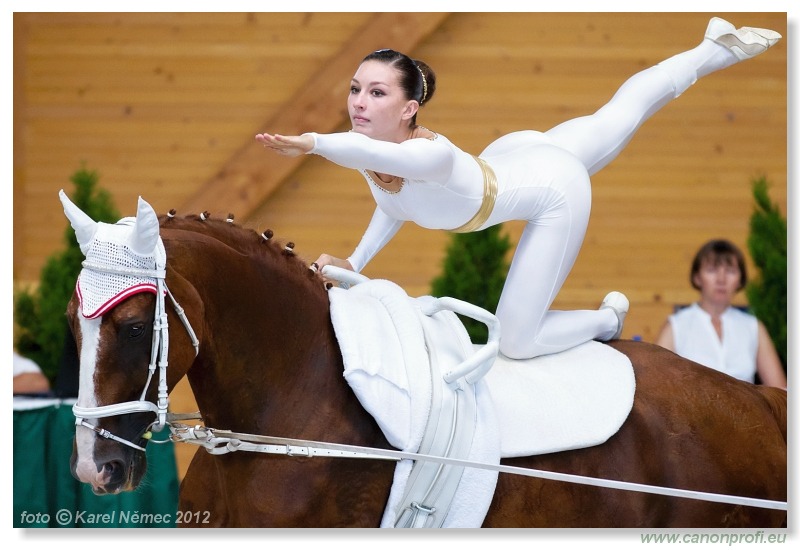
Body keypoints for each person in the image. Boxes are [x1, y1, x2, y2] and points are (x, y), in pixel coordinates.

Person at [256, 17, 781, 360]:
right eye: (354, 89)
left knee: (515, 344)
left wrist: (308, 142)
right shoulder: (377, 153)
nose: (358, 102)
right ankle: (712, 48)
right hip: (511, 161)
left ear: (410, 108)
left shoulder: (424, 152)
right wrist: (357, 260)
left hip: (551, 187)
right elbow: (394, 203)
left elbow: (373, 158)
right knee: (616, 115)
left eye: (375, 92)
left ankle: (607, 317)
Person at [655, 239, 786, 387]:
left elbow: (780, 391)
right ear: (697, 278)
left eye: (730, 271)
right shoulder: (676, 326)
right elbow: (656, 385)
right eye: (712, 270)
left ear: (740, 280)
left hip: (745, 409)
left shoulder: (753, 327)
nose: (721, 279)